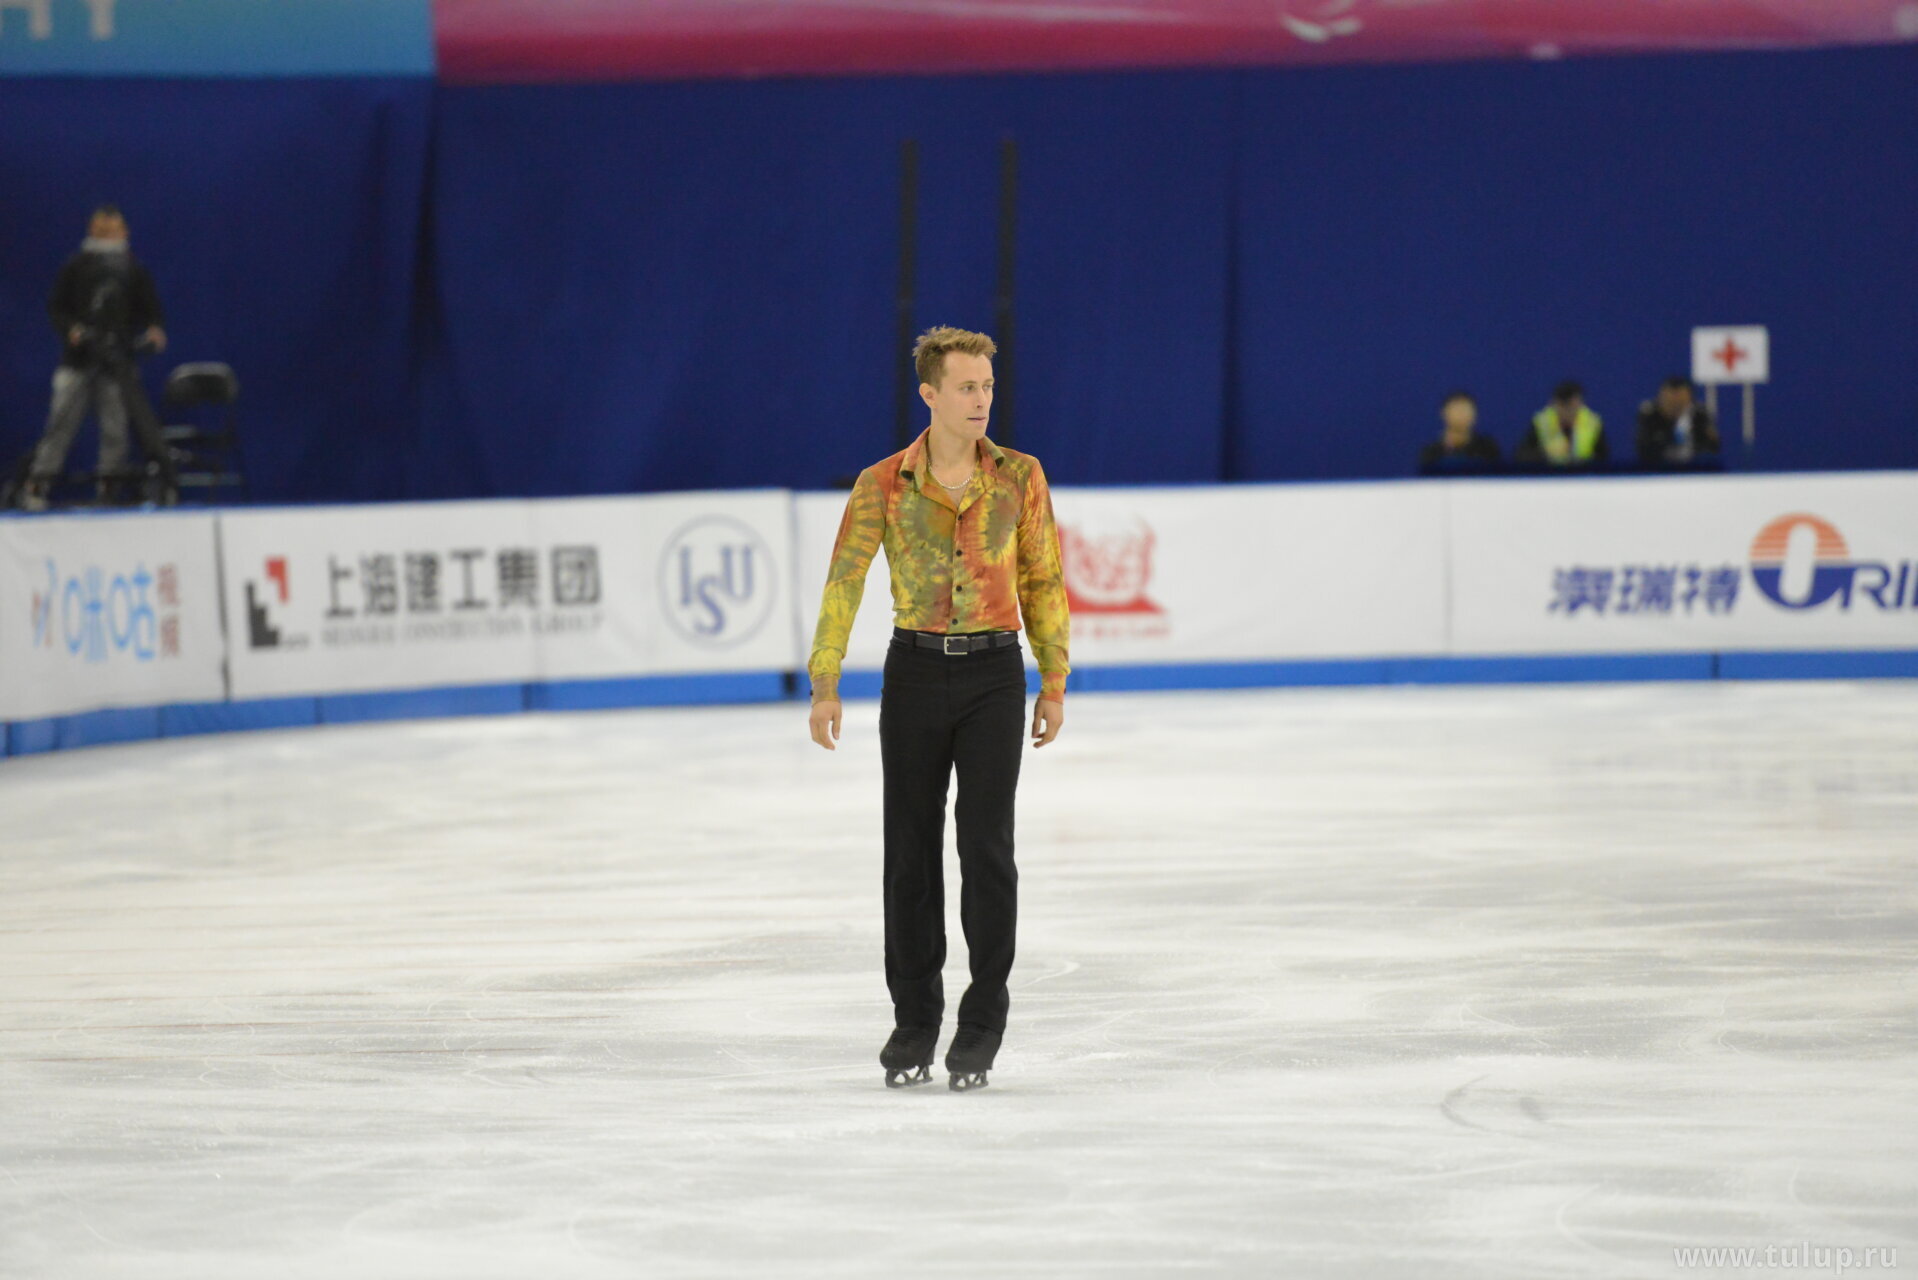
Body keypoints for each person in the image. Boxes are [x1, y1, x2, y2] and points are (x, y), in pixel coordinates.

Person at [806, 324, 1069, 1092]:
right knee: (910, 854)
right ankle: (914, 1021)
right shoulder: (882, 483)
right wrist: (826, 681)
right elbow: (844, 581)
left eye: (987, 385)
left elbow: (1043, 578)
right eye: (966, 387)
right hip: (915, 677)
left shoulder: (1020, 477)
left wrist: (1053, 680)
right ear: (930, 394)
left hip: (994, 677)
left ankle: (982, 1023)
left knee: (987, 849)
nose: (982, 399)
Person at [20, 204, 170, 511]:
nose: (111, 235)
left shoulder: (133, 269)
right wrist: (72, 330)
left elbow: (151, 309)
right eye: (105, 230)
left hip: (117, 365)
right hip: (77, 363)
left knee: (115, 430)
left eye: (115, 230)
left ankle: (108, 491)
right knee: (60, 427)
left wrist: (154, 330)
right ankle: (37, 487)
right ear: (93, 231)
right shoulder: (76, 267)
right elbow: (57, 308)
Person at [1515, 380, 1607, 468]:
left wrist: (1585, 462)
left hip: (1584, 476)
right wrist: (1544, 454)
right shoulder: (1542, 422)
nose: (1568, 411)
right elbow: (1521, 455)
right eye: (1563, 406)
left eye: (1573, 406)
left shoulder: (1592, 423)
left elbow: (1603, 458)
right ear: (1554, 404)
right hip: (1550, 475)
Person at [1636, 375, 1720, 466]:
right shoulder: (1650, 415)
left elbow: (1711, 448)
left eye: (1680, 401)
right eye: (1669, 401)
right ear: (1661, 399)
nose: (1675, 405)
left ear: (1689, 399)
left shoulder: (1699, 415)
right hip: (1659, 469)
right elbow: (1644, 449)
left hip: (1694, 469)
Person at [1417, 390, 1502, 471]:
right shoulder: (1431, 453)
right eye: (1456, 410)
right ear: (1444, 413)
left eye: (1465, 410)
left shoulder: (1488, 449)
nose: (1461, 415)